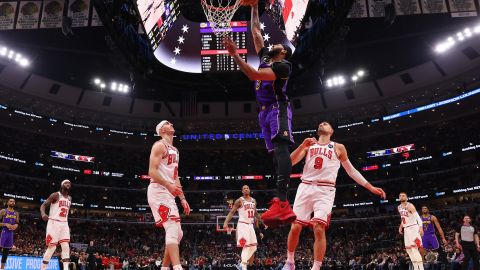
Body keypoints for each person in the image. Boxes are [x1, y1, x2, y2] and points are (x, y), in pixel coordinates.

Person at [223, 0, 295, 227]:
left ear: (282, 52)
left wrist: (235, 55)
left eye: (278, 44)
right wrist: (254, 6)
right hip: (263, 113)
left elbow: (254, 75)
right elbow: (255, 32)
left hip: (277, 108)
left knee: (282, 148)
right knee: (275, 154)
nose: (272, 43)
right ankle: (280, 203)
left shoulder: (283, 66)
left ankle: (282, 201)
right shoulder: (266, 56)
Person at [282, 122, 386, 270]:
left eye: (326, 124)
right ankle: (290, 262)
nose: (323, 123)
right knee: (295, 227)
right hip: (305, 186)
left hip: (325, 189)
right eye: (320, 123)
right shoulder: (309, 144)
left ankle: (316, 267)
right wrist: (301, 146)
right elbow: (288, 163)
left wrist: (370, 187)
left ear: (331, 131)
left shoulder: (338, 147)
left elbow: (351, 171)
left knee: (318, 227)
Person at [148, 120, 190, 270]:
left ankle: (165, 268)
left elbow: (175, 176)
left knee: (178, 234)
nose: (171, 123)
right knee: (172, 229)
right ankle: (178, 267)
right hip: (158, 191)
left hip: (169, 193)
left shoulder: (175, 150)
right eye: (167, 123)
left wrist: (183, 198)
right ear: (162, 130)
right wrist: (168, 185)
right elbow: (152, 171)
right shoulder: (159, 145)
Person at [223, 185, 263, 270]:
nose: (246, 189)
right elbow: (232, 212)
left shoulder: (253, 201)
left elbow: (255, 213)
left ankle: (241, 264)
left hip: (250, 226)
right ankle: (243, 266)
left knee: (254, 247)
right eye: (244, 189)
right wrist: (226, 222)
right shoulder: (239, 200)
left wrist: (262, 222)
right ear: (242, 191)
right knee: (246, 246)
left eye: (247, 188)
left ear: (249, 190)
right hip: (242, 225)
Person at [40, 179, 72, 270]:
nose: (68, 184)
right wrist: (43, 214)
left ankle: (66, 268)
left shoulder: (70, 198)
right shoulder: (55, 195)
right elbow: (43, 205)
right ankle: (43, 268)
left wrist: (66, 224)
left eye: (69, 183)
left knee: (66, 246)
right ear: (62, 185)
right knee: (52, 248)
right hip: (54, 222)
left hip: (64, 223)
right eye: (66, 183)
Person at [398, 192, 425, 270]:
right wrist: (400, 226)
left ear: (407, 198)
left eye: (403, 196)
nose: (401, 197)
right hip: (406, 229)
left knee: (414, 249)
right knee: (409, 250)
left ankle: (421, 268)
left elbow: (418, 218)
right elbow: (403, 218)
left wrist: (421, 228)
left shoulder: (410, 206)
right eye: (400, 196)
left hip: (413, 228)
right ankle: (416, 268)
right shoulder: (399, 207)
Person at [0, 199, 19, 270]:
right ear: (8, 202)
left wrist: (16, 225)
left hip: (10, 233)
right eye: (11, 201)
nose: (12, 202)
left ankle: (2, 268)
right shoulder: (3, 211)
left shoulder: (16, 213)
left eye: (13, 201)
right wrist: (5, 224)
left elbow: (17, 223)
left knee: (6, 252)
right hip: (3, 231)